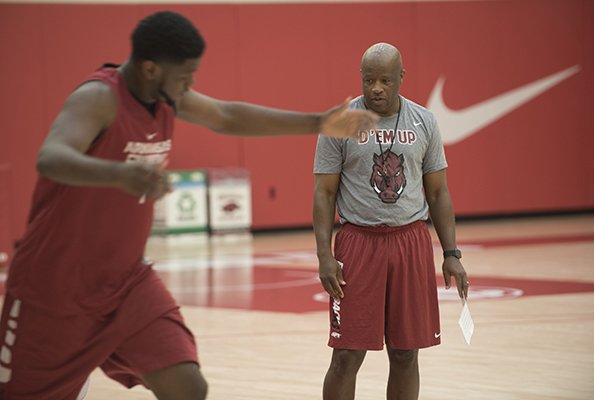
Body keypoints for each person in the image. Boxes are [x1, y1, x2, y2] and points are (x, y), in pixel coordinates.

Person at [0, 11, 378, 400]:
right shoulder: (98, 98)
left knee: (187, 386)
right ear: (150, 68)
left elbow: (226, 115)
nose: (190, 85)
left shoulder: (166, 98)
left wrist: (317, 122)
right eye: (184, 76)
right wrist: (118, 174)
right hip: (53, 288)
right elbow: (51, 158)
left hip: (124, 283)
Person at [312, 42, 469, 400]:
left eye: (384, 80)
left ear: (401, 77)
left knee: (405, 352)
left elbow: (439, 193)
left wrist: (452, 253)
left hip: (410, 240)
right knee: (347, 354)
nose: (376, 88)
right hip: (357, 243)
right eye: (369, 80)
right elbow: (323, 194)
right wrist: (324, 254)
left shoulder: (424, 121)